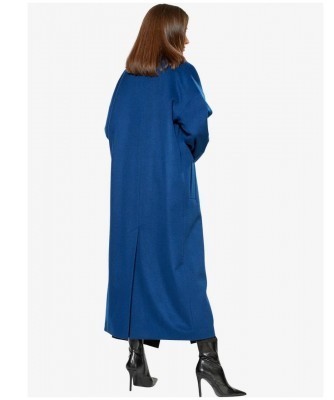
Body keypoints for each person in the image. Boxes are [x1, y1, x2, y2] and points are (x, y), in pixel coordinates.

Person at [103, 3, 246, 397]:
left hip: (127, 195)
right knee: (184, 268)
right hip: (168, 190)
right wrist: (176, 159)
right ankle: (208, 362)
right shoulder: (182, 74)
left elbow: (112, 130)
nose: (187, 38)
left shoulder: (125, 81)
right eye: (183, 30)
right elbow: (198, 130)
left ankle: (136, 358)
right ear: (169, 34)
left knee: (135, 266)